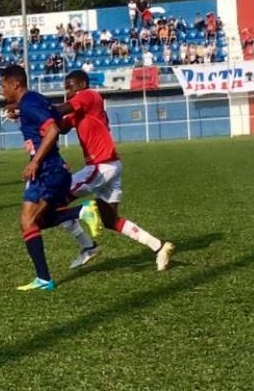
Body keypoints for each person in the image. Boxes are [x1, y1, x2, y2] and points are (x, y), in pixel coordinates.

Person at [58, 71, 175, 270]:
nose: (67, 92)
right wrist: (24, 117)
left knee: (56, 199)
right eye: (65, 88)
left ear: (82, 84)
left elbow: (60, 110)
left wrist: (28, 106)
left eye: (70, 87)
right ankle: (159, 246)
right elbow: (61, 127)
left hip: (100, 166)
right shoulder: (80, 108)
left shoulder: (88, 95)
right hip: (111, 165)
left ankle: (88, 246)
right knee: (110, 220)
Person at [0, 65, 98, 291]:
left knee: (32, 221)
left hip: (48, 169)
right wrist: (19, 112)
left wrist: (35, 161)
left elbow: (53, 129)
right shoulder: (31, 101)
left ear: (15, 84)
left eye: (3, 86)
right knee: (28, 222)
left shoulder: (30, 102)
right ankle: (44, 279)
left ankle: (81, 211)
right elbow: (55, 118)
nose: (1, 90)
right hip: (43, 170)